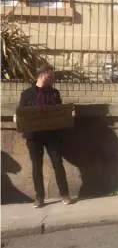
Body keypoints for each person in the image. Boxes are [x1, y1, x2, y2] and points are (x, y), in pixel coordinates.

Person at [13, 64, 76, 208]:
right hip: (33, 136)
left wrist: (68, 114)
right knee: (36, 166)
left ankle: (65, 195)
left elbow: (59, 113)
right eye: (51, 75)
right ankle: (39, 197)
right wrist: (16, 118)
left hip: (52, 135)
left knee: (58, 164)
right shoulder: (27, 94)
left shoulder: (55, 93)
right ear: (42, 75)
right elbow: (20, 113)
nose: (53, 79)